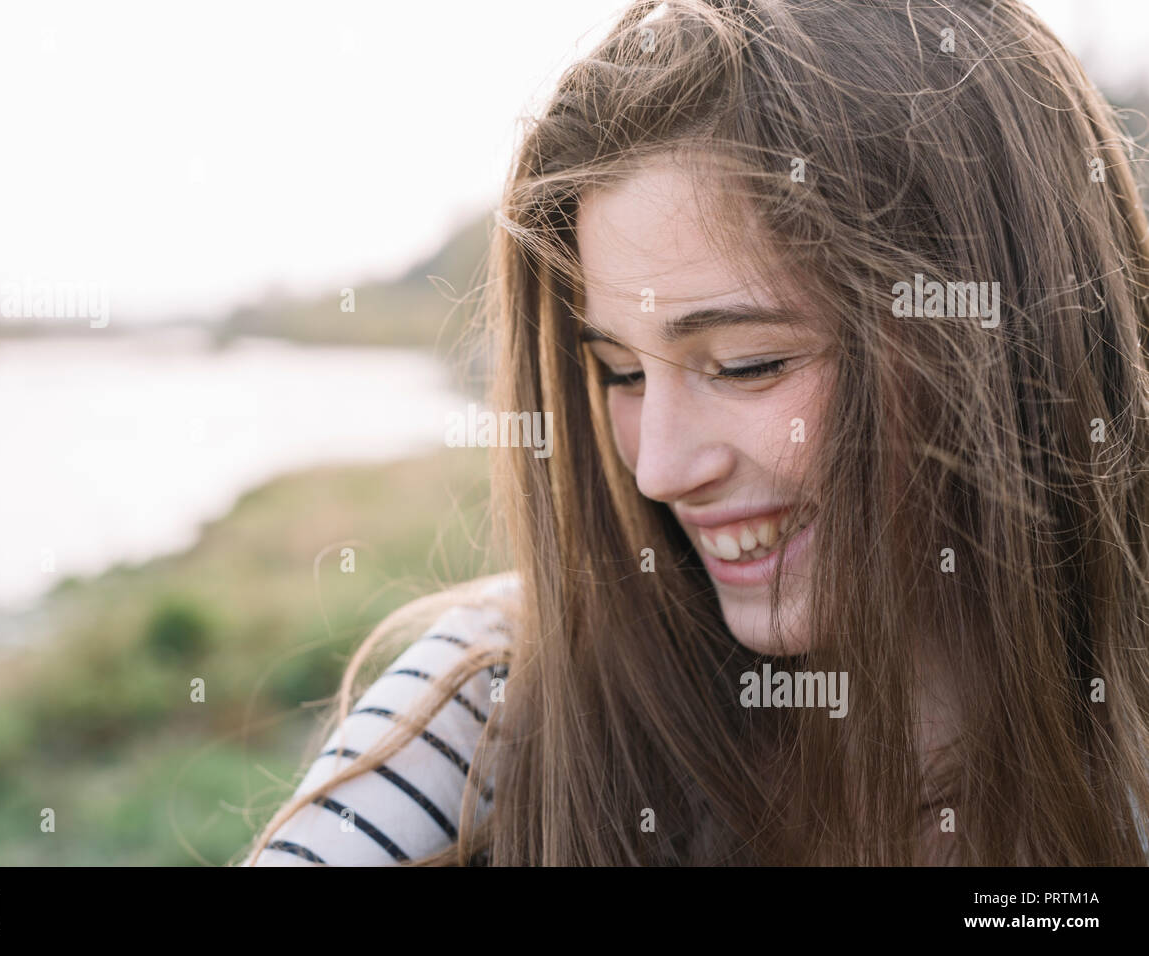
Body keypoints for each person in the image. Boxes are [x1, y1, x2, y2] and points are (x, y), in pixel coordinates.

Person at [244, 0, 1149, 866]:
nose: (662, 471)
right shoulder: (493, 696)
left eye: (749, 364)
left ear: (1000, 328)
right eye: (622, 374)